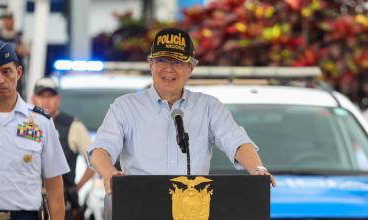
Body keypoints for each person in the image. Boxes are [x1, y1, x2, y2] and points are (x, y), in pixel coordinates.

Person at [86, 28, 276, 218]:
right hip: (140, 205)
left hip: (193, 208)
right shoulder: (125, 107)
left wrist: (258, 170)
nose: (168, 69)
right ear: (150, 64)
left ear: (191, 68)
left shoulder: (209, 106)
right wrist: (110, 173)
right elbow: (100, 150)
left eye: (177, 62)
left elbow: (236, 141)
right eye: (161, 60)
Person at [0, 40, 69, 219]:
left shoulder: (41, 122)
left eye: (6, 71)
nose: (0, 80)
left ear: (18, 73)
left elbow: (55, 189)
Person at [32, 77, 95, 220]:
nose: (45, 101)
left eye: (50, 96)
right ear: (33, 98)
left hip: (62, 203)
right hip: (30, 203)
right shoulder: (24, 125)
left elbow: (95, 161)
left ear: (58, 99)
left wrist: (76, 188)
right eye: (41, 96)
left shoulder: (73, 126)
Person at [0, 11, 30, 95]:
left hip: (14, 73)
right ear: (2, 21)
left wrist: (19, 50)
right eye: (6, 19)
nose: (8, 22)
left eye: (10, 19)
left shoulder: (19, 35)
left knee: (16, 94)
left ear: (13, 20)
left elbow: (27, 51)